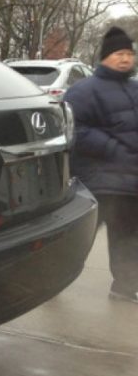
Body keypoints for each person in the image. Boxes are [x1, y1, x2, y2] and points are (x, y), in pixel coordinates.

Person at [64, 26, 138, 303]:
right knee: (79, 239)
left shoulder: (134, 88)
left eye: (129, 54)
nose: (125, 59)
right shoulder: (84, 91)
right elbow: (75, 129)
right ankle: (48, 280)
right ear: (105, 57)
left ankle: (124, 288)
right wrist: (114, 148)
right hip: (98, 181)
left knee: (128, 239)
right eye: (119, 53)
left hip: (130, 181)